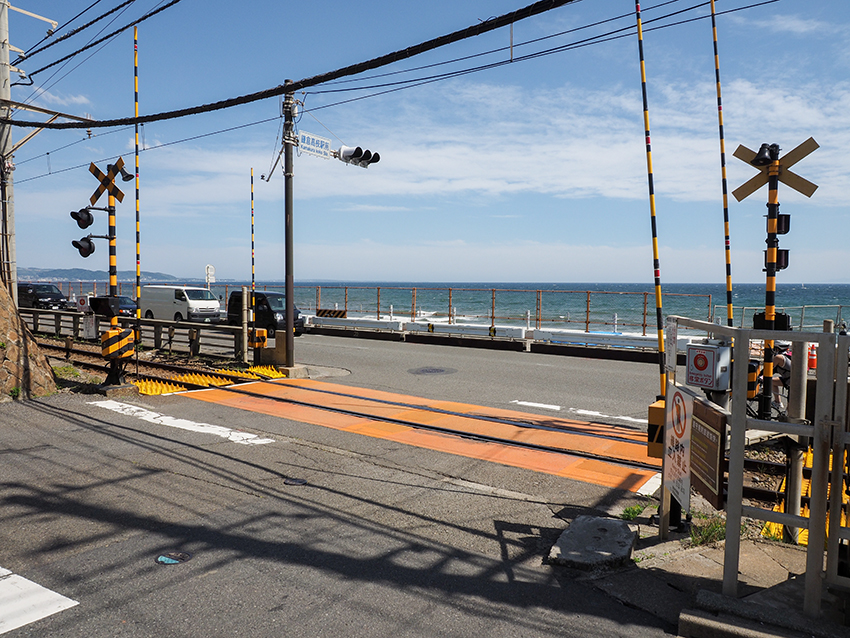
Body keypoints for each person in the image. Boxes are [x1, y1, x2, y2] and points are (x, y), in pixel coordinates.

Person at [772, 342, 791, 409]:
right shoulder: (787, 356)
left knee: (790, 411)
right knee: (771, 381)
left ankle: (786, 416)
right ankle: (778, 402)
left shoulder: (778, 357)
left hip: (793, 383)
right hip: (788, 379)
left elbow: (769, 370)